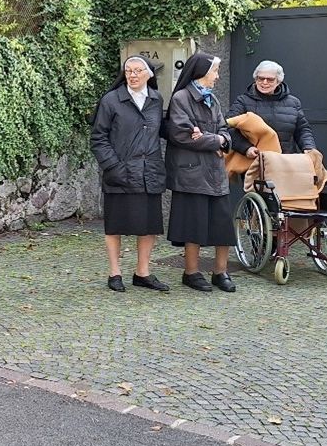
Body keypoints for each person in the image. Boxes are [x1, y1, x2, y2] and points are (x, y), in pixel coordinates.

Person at [90, 56, 168, 293]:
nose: (132, 75)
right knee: (115, 226)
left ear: (149, 74)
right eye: (128, 71)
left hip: (149, 173)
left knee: (149, 225)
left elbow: (163, 132)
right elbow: (98, 138)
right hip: (120, 172)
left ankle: (142, 272)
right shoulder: (111, 100)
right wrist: (113, 166)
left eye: (137, 71)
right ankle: (115, 273)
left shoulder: (156, 100)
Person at [165, 53, 237, 293]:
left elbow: (225, 130)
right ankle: (191, 273)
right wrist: (215, 141)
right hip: (191, 173)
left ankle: (220, 272)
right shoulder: (181, 98)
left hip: (216, 173)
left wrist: (218, 139)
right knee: (192, 225)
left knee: (222, 225)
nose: (217, 77)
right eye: (215, 71)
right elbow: (181, 134)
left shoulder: (212, 100)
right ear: (202, 72)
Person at [226, 61, 316, 158]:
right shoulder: (243, 101)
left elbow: (302, 130)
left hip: (285, 161)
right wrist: (246, 148)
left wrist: (309, 147)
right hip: (255, 162)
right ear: (255, 79)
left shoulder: (293, 103)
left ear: (278, 81)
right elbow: (227, 127)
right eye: (261, 78)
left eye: (270, 80)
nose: (264, 82)